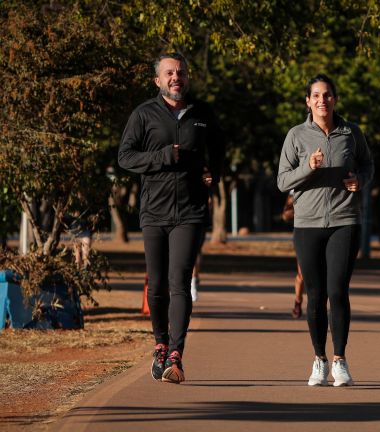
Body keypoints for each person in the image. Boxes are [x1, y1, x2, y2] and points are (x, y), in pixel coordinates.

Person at [118, 52, 224, 384]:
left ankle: (176, 354)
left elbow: (219, 149)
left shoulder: (202, 114)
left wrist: (214, 173)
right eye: (169, 73)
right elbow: (125, 156)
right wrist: (163, 156)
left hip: (191, 211)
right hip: (154, 211)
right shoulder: (143, 114)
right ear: (158, 81)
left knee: (180, 281)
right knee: (157, 284)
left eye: (180, 72)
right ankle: (160, 345)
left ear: (187, 77)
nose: (176, 77)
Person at [277, 74, 374, 387]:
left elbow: (368, 166)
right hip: (307, 223)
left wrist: (360, 180)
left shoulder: (351, 133)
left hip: (345, 219)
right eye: (316, 96)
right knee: (315, 294)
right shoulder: (296, 136)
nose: (322, 100)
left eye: (327, 95)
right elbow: (282, 181)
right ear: (308, 101)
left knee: (337, 291)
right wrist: (309, 167)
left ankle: (340, 360)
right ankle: (319, 359)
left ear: (335, 99)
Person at [282, 192, 305, 318]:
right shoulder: (296, 187)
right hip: (305, 233)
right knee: (302, 275)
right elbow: (285, 215)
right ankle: (298, 301)